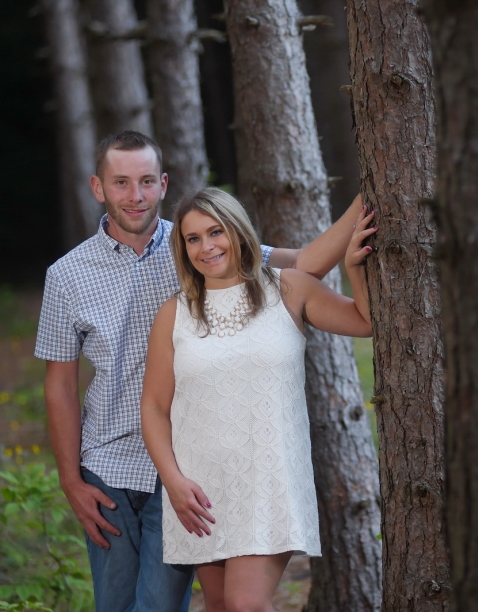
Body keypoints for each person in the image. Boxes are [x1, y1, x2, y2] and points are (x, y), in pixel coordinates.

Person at [34, 131, 361, 612]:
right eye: (121, 182)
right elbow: (60, 386)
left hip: (190, 465)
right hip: (110, 466)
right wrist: (71, 480)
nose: (135, 195)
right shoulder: (67, 275)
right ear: (98, 187)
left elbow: (305, 263)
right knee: (118, 605)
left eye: (146, 181)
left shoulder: (198, 242)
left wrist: (368, 194)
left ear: (163, 184)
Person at [139, 187, 375, 612]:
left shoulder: (289, 288)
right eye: (193, 238)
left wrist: (354, 268)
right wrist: (173, 481)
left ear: (237, 230)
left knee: (245, 603)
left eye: (215, 232)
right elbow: (155, 407)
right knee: (219, 605)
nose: (206, 246)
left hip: (269, 479)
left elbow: (364, 322)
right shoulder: (173, 314)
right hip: (200, 488)